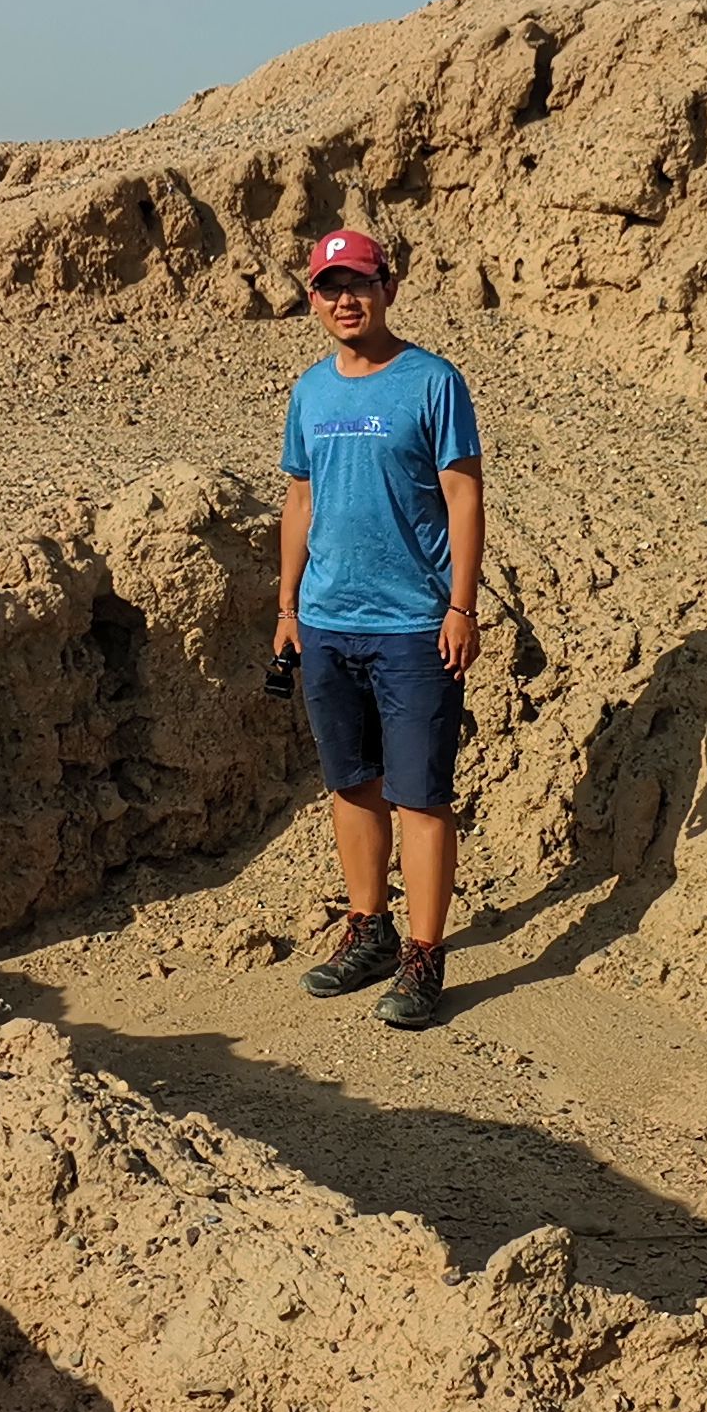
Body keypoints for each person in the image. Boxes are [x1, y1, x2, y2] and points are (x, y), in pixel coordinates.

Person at [273, 227, 483, 1029]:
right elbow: (300, 500)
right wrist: (288, 606)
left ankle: (424, 957)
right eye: (329, 287)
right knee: (350, 781)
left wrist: (460, 607)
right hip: (326, 621)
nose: (344, 299)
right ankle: (369, 927)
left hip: (413, 627)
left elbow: (464, 497)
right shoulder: (311, 392)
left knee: (421, 794)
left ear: (388, 287)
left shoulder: (432, 382)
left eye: (357, 282)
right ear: (312, 298)